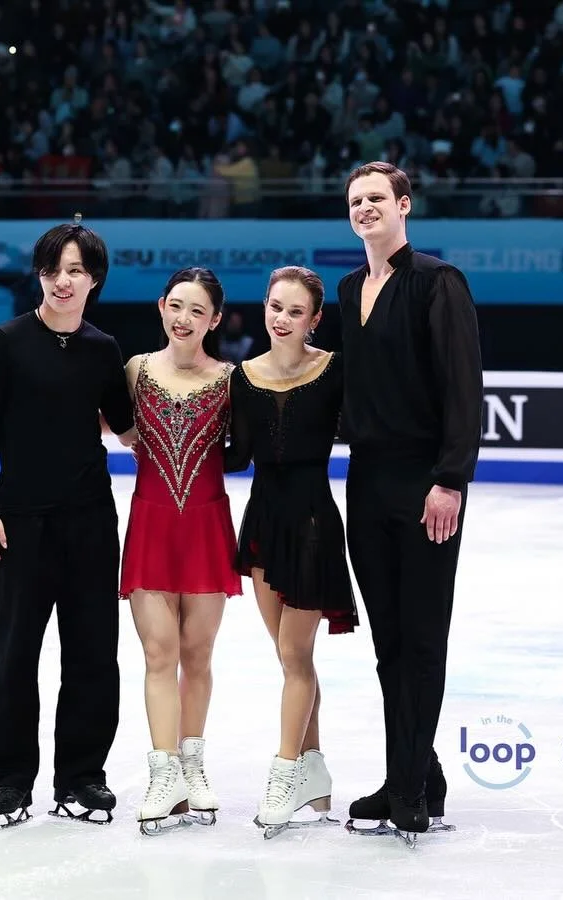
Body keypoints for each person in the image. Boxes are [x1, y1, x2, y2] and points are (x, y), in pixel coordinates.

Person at [0, 221, 136, 828]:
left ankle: (82, 778)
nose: (62, 281)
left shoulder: (103, 349)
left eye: (75, 271)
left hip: (91, 520)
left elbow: (126, 429)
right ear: (39, 275)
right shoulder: (4, 342)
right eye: (52, 269)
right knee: (15, 655)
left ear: (94, 279)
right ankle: (10, 781)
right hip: (21, 523)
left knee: (94, 653)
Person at [337, 161, 484, 841]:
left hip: (426, 482)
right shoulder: (347, 290)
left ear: (404, 205)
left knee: (422, 639)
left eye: (376, 199)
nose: (365, 208)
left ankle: (408, 788)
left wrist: (451, 478)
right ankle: (417, 775)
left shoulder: (436, 282)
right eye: (355, 200)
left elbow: (462, 387)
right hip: (365, 483)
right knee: (390, 641)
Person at [223, 265, 359, 838]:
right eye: (275, 306)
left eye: (295, 311)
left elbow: (372, 429)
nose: (282, 318)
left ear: (314, 319)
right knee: (290, 658)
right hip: (261, 525)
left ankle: (286, 772)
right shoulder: (243, 377)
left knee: (295, 656)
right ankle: (316, 771)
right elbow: (236, 458)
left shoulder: (333, 371)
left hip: (311, 524)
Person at [119, 266, 243, 835]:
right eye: (176, 305)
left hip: (206, 527)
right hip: (149, 524)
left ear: (214, 320)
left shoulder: (231, 379)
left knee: (197, 654)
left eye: (197, 310)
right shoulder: (136, 371)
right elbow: (116, 431)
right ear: (161, 308)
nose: (184, 318)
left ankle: (193, 765)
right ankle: (162, 771)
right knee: (157, 653)